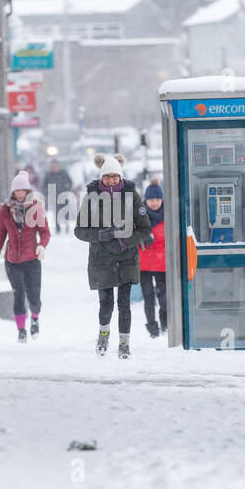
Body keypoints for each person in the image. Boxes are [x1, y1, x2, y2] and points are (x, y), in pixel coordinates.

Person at [74, 153, 152, 359]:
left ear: (120, 177)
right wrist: (100, 235)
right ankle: (104, 332)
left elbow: (145, 230)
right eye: (107, 177)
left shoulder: (132, 196)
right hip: (102, 260)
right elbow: (79, 230)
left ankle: (124, 344)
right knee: (106, 304)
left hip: (126, 258)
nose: (111, 180)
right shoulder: (91, 198)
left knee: (125, 304)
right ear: (101, 178)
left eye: (115, 177)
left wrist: (124, 241)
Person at [0, 170, 50, 342]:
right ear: (12, 192)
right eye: (17, 190)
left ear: (28, 191)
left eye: (23, 190)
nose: (20, 193)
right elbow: (0, 236)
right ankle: (21, 330)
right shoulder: (5, 211)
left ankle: (35, 318)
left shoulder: (36, 208)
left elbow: (45, 232)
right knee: (18, 294)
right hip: (12, 261)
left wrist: (41, 246)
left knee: (34, 297)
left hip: (32, 260)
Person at [139, 182, 167, 338]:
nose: (154, 202)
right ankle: (152, 328)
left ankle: (166, 325)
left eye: (157, 198)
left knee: (164, 297)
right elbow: (132, 235)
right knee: (148, 297)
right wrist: (142, 239)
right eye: (151, 199)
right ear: (146, 200)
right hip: (145, 264)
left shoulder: (169, 215)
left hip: (163, 264)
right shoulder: (139, 216)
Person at [41, 158, 74, 234]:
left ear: (59, 166)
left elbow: (70, 182)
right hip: (54, 197)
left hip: (64, 196)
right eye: (53, 166)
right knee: (56, 213)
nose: (54, 167)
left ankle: (66, 226)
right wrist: (47, 193)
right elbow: (44, 186)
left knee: (66, 212)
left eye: (56, 165)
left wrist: (67, 189)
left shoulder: (64, 173)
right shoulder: (48, 175)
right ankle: (58, 228)